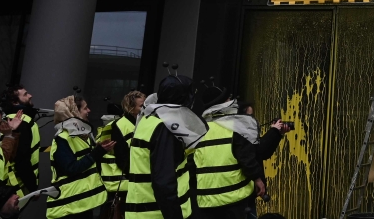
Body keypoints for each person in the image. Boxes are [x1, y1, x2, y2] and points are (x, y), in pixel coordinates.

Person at [127, 75, 207, 219]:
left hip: (143, 211)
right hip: (158, 214)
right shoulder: (165, 127)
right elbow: (164, 182)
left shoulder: (147, 119)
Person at [194, 96, 265, 219]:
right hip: (234, 197)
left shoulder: (199, 129)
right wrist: (257, 179)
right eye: (229, 100)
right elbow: (246, 158)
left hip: (206, 200)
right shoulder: (234, 127)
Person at [47, 91, 112, 219]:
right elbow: (71, 168)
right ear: (74, 112)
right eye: (85, 108)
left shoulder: (81, 136)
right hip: (68, 208)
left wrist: (100, 150)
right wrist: (97, 153)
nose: (89, 110)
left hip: (80, 204)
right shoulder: (62, 138)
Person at [101, 91, 145, 212]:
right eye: (141, 105)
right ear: (130, 108)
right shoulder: (120, 125)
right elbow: (122, 158)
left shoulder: (141, 123)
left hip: (133, 181)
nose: (145, 108)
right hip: (123, 184)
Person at [0, 86, 39, 195]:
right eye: (25, 94)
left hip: (7, 183)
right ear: (14, 102)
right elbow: (22, 160)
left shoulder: (6, 119)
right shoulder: (22, 122)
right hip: (15, 185)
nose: (30, 96)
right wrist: (33, 187)